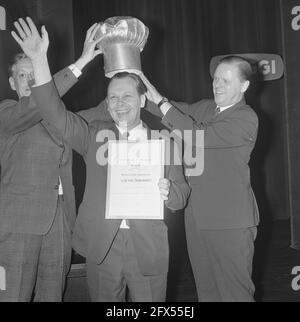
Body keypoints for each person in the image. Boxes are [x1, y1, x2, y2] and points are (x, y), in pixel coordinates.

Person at [12, 18, 191, 302]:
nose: (119, 103)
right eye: (113, 98)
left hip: (148, 249)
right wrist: (38, 59)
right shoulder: (94, 136)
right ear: (106, 104)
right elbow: (52, 110)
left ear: (143, 101)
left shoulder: (165, 143)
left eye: (127, 97)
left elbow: (181, 197)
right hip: (102, 248)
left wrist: (170, 191)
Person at [138, 56, 260, 302]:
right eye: (216, 79)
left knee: (235, 293)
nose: (218, 84)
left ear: (244, 86)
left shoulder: (246, 117)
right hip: (196, 218)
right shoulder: (205, 107)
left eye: (226, 80)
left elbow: (197, 136)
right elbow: (170, 109)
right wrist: (139, 89)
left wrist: (160, 103)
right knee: (207, 292)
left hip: (230, 222)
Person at [0, 18, 103, 302]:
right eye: (24, 75)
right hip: (18, 223)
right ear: (11, 83)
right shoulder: (7, 113)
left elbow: (100, 114)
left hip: (60, 222)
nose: (33, 81)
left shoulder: (61, 117)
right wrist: (81, 62)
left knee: (52, 296)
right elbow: (39, 101)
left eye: (36, 73)